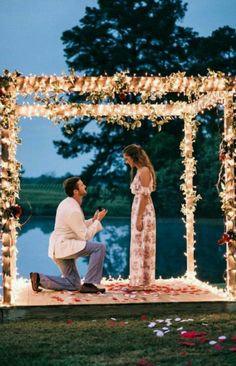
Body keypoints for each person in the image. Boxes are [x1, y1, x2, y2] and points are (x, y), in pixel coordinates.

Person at [30, 176, 107, 294]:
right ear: (75, 191)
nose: (85, 186)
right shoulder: (73, 210)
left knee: (74, 283)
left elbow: (77, 226)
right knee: (99, 248)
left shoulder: (67, 203)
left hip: (59, 247)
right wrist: (98, 221)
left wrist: (93, 220)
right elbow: (84, 236)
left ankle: (40, 278)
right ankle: (89, 284)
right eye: (82, 185)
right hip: (64, 246)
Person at [123, 144, 156, 290]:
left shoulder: (144, 171)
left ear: (133, 157)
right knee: (138, 244)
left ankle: (142, 282)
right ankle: (139, 281)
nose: (126, 161)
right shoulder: (139, 170)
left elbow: (144, 195)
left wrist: (139, 218)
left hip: (144, 211)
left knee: (142, 244)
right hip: (139, 210)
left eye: (126, 158)